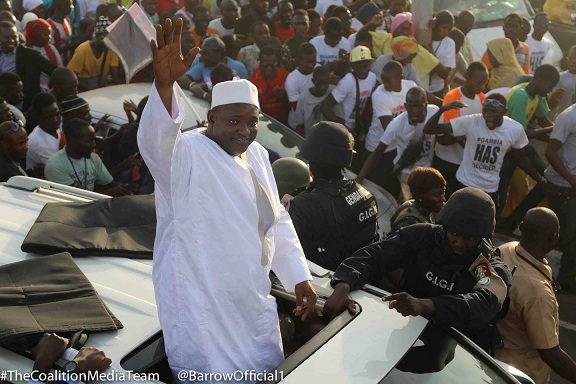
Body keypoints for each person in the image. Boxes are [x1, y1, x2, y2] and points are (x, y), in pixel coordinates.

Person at [137, 19, 316, 380]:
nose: (245, 130)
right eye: (234, 122)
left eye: (251, 121)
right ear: (211, 117)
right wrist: (164, 85)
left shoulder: (259, 156)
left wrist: (298, 275)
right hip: (203, 299)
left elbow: (275, 217)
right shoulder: (185, 153)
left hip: (250, 292)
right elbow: (156, 142)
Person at [324, 187, 511, 353]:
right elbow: (375, 255)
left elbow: (486, 301)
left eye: (470, 238)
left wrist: (428, 305)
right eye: (454, 233)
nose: (460, 244)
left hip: (451, 349)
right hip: (399, 332)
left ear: (481, 237)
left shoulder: (482, 265)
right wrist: (344, 283)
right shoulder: (423, 237)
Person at [423, 94, 547, 208]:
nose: (488, 114)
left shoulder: (514, 129)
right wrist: (442, 109)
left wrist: (539, 179)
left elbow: (521, 158)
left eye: (493, 111)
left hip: (489, 188)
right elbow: (430, 129)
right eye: (485, 110)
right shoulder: (472, 121)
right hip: (465, 184)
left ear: (504, 112)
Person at [496, 208, 576, 384]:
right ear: (553, 238)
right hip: (522, 374)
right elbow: (550, 353)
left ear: (522, 227)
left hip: (491, 359)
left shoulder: (504, 249)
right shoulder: (538, 294)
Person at [288, 121, 378, 272]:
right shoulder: (364, 193)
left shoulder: (304, 205)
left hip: (326, 286)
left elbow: (287, 254)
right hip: (362, 279)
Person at [356, 87, 438, 201]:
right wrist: (360, 178)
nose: (415, 110)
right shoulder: (396, 125)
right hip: (408, 174)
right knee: (412, 205)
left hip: (428, 170)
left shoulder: (434, 112)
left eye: (419, 106)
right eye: (411, 106)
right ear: (405, 105)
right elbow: (378, 151)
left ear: (425, 105)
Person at [433, 61, 488, 197]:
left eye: (485, 83)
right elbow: (452, 132)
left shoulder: (481, 97)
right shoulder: (453, 98)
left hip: (465, 161)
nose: (482, 87)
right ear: (467, 77)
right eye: (479, 82)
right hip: (448, 160)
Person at [44, 118, 132, 196]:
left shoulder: (93, 158)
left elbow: (109, 183)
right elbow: (78, 198)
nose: (94, 145)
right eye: (88, 141)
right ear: (72, 142)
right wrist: (110, 193)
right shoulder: (55, 165)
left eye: (94, 139)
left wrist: (125, 188)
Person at [544, 103, 576, 292]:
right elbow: (550, 151)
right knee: (566, 235)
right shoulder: (569, 117)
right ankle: (560, 278)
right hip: (563, 186)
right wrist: (571, 180)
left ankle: (565, 278)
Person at [320, 45, 377, 136]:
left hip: (357, 127)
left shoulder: (372, 78)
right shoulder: (348, 81)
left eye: (366, 66)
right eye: (359, 67)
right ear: (352, 65)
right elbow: (324, 106)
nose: (363, 70)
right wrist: (343, 129)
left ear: (370, 64)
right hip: (345, 129)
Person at [0, 21, 57, 111]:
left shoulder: (31, 55)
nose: (11, 40)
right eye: (6, 37)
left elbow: (56, 73)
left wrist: (48, 96)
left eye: (14, 37)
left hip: (26, 107)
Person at [67, 16, 121, 91]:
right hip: (83, 89)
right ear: (97, 37)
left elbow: (115, 76)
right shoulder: (82, 50)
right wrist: (90, 89)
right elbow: (71, 76)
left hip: (100, 90)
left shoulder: (111, 50)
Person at [390, 166, 446, 232]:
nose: (443, 199)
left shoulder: (424, 211)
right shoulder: (409, 221)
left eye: (443, 192)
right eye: (436, 195)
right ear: (420, 195)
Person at [249, 45, 290, 124]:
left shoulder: (286, 76)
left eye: (272, 65)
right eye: (265, 65)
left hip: (283, 124)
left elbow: (293, 107)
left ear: (277, 62)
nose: (269, 68)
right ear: (260, 62)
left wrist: (283, 96)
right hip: (262, 124)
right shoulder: (252, 81)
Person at [294, 65, 338, 136]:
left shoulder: (334, 92)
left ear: (329, 80)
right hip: (310, 139)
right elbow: (299, 125)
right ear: (313, 81)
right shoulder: (303, 97)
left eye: (325, 83)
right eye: (319, 83)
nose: (323, 88)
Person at [26, 92, 62, 177]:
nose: (55, 120)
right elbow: (61, 170)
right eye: (49, 117)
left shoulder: (56, 128)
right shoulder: (38, 143)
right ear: (38, 117)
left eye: (57, 114)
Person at [285, 42, 317, 129]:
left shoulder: (318, 70)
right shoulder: (292, 79)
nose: (311, 65)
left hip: (314, 122)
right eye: (307, 62)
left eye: (313, 62)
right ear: (298, 61)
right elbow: (296, 107)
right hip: (297, 125)